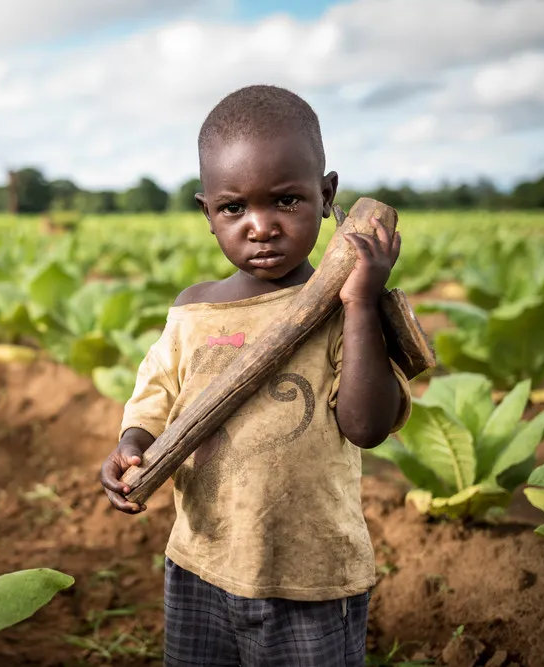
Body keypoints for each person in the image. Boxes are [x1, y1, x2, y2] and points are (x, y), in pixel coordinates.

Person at [99, 85, 412, 667]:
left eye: (287, 201)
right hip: (201, 561)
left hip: (311, 579)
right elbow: (156, 393)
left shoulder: (345, 311)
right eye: (234, 207)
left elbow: (366, 426)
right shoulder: (194, 311)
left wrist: (363, 306)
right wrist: (131, 444)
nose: (260, 226)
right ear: (207, 213)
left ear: (327, 196)